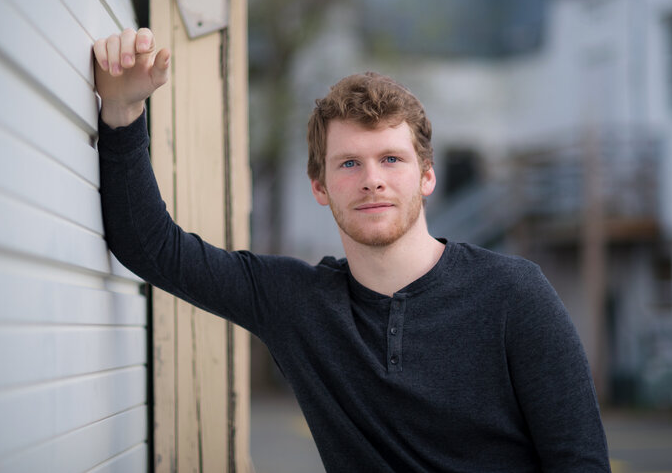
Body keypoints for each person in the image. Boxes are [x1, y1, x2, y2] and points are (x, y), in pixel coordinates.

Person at [94, 28, 611, 472]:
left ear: (426, 175)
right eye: (348, 164)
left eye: (391, 159)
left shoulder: (514, 294)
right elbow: (150, 246)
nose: (372, 181)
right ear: (319, 186)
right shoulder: (297, 303)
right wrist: (122, 110)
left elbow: (580, 461)